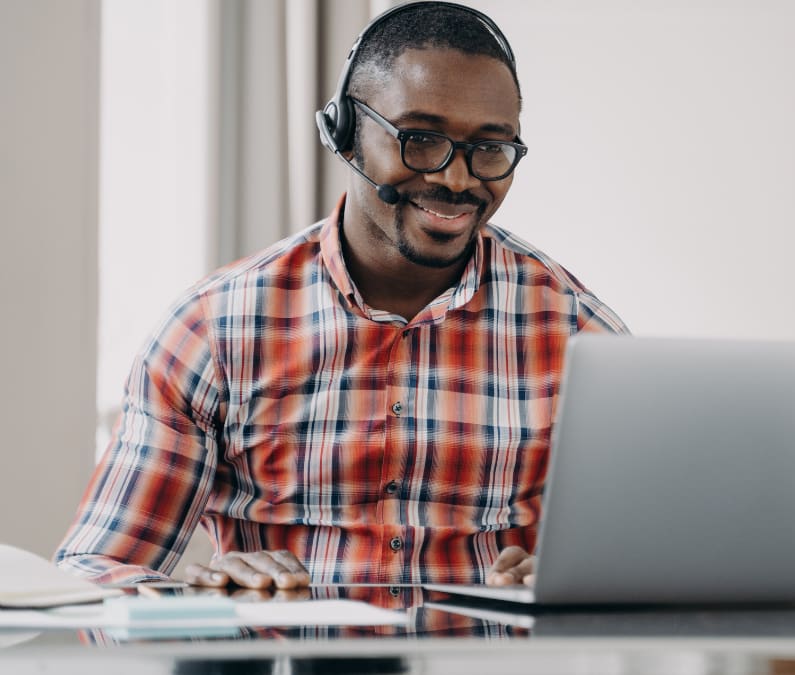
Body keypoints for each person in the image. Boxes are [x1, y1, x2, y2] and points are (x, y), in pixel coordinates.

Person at [55, 1, 626, 591]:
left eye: (490, 148)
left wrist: (589, 586)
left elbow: (647, 573)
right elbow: (89, 576)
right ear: (345, 133)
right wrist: (198, 594)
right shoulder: (214, 331)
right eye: (421, 140)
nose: (457, 179)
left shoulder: (579, 336)